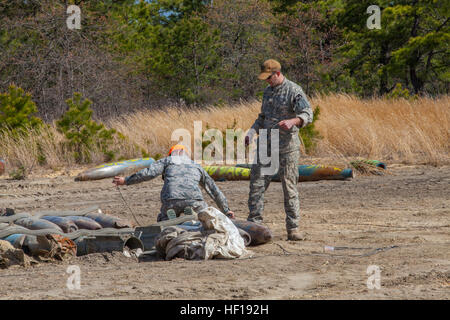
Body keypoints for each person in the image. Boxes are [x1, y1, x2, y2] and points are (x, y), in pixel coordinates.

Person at [245, 59, 313, 241]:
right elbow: (263, 116)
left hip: (287, 148)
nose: (267, 81)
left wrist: (293, 121)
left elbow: (308, 114)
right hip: (266, 145)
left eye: (269, 78)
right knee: (257, 184)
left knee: (289, 187)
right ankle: (254, 224)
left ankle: (293, 228)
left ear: (277, 73)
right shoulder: (268, 92)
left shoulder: (294, 90)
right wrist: (252, 131)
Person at [113, 144, 234, 221]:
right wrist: (226, 210)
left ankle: (168, 220)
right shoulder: (196, 166)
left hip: (171, 200)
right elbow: (213, 189)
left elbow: (148, 173)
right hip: (194, 200)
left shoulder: (167, 160)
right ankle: (193, 217)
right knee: (206, 218)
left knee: (163, 221)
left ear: (171, 154)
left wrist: (126, 180)